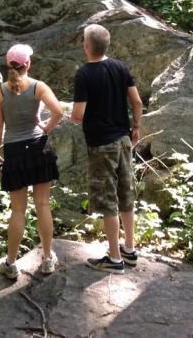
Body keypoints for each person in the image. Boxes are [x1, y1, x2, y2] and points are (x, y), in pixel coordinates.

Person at [70, 24, 143, 273]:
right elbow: (137, 101)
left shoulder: (84, 74)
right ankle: (129, 250)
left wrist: (73, 112)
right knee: (126, 193)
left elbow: (78, 115)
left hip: (101, 144)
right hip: (123, 140)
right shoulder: (120, 68)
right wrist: (136, 127)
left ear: (87, 46)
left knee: (108, 200)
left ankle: (114, 258)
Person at [0, 43, 64, 279]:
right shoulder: (38, 87)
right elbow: (59, 112)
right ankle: (46, 259)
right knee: (43, 205)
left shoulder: (0, 91)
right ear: (28, 64)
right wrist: (45, 127)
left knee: (18, 210)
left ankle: (11, 263)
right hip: (38, 148)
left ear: (8, 65)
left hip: (14, 151)